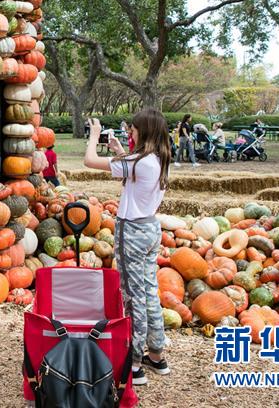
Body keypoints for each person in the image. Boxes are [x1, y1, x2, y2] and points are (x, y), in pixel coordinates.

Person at [83, 110, 171, 385]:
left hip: (131, 231)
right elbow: (133, 172)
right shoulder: (156, 160)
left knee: (133, 297)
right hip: (149, 228)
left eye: (132, 129)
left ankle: (133, 364)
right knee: (149, 292)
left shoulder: (138, 162)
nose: (129, 132)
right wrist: (120, 150)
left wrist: (94, 135)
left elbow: (89, 161)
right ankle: (156, 355)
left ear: (143, 132)